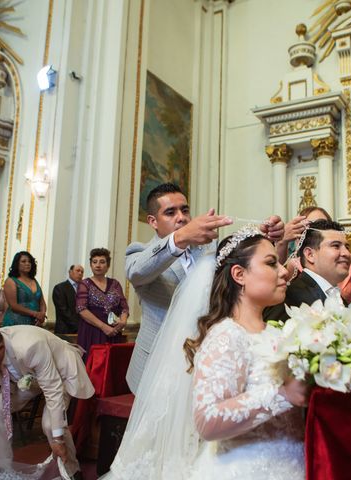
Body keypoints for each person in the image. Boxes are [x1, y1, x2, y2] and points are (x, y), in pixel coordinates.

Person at [106, 226, 307, 479]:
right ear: (239, 274)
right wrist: (282, 395)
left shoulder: (277, 335)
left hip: (293, 463)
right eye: (271, 263)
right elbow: (208, 420)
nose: (284, 271)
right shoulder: (226, 336)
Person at [125, 183, 283, 392]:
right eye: (170, 212)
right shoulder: (140, 251)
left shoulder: (208, 250)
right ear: (153, 221)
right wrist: (179, 238)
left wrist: (261, 238)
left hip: (205, 357)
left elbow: (237, 271)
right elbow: (136, 271)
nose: (181, 217)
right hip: (157, 365)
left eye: (185, 210)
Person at [0, 325, 95, 478]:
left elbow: (52, 389)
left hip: (59, 372)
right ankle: (0, 469)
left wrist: (57, 440)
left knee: (50, 425)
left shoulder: (30, 346)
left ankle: (72, 471)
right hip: (28, 377)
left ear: (0, 347)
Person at [277, 206, 351, 304]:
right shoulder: (293, 275)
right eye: (312, 225)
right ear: (309, 254)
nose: (345, 253)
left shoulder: (347, 261)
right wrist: (282, 241)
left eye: (322, 223)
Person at [265, 219, 351, 321]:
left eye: (347, 247)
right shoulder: (289, 297)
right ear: (310, 255)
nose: (346, 253)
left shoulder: (339, 298)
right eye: (336, 246)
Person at [76, 249, 128, 357]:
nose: (98, 265)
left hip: (114, 331)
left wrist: (122, 322)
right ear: (90, 265)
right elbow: (81, 309)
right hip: (92, 331)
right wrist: (103, 327)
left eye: (102, 262)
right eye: (94, 262)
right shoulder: (84, 284)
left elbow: (124, 307)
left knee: (112, 364)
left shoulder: (115, 284)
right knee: (94, 365)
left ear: (108, 266)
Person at [2, 251, 46, 327]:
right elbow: (13, 305)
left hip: (35, 322)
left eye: (29, 262)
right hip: (16, 321)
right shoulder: (11, 281)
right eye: (23, 261)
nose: (27, 264)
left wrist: (42, 314)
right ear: (17, 264)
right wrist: (35, 314)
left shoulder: (34, 280)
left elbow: (42, 302)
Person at [52, 264, 84, 335]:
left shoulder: (83, 289)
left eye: (82, 272)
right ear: (70, 272)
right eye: (78, 271)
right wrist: (78, 327)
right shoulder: (60, 288)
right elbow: (63, 310)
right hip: (65, 329)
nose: (80, 273)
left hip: (82, 330)